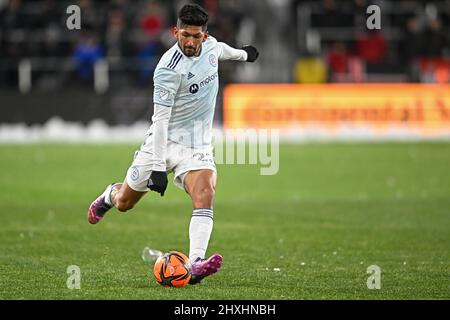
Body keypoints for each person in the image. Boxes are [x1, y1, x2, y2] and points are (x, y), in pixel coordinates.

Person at [87, 3, 259, 285]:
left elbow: (222, 50)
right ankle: (109, 195)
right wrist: (156, 168)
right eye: (184, 36)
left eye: (195, 36)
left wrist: (244, 55)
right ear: (174, 31)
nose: (189, 42)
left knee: (205, 192)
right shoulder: (167, 69)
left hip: (197, 144)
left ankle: (196, 263)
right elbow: (161, 122)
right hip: (162, 143)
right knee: (125, 204)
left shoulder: (211, 46)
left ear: (204, 36)